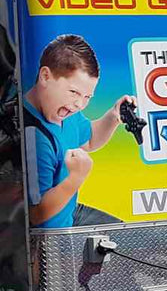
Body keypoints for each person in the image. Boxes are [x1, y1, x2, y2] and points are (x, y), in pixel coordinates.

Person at [23, 34, 131, 228]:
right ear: (45, 76)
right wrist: (76, 178)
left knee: (130, 238)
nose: (80, 104)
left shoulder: (66, 112)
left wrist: (114, 116)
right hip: (50, 235)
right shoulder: (33, 137)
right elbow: (36, 214)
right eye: (74, 92)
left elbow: (89, 140)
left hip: (70, 213)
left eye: (88, 96)